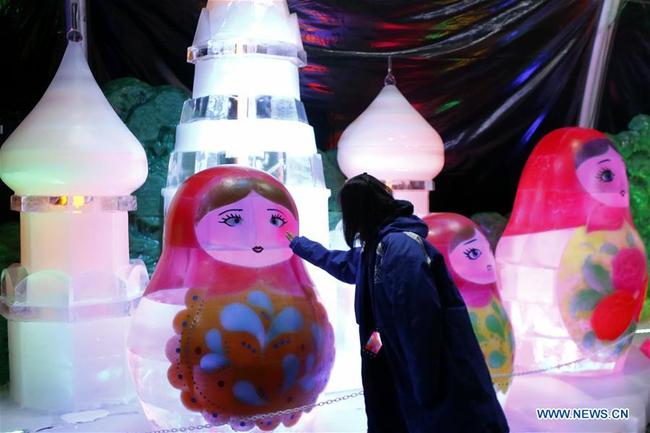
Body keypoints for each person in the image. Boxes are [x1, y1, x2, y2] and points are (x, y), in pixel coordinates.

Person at [286, 173, 509, 433]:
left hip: (431, 371)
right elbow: (346, 265)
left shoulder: (400, 247)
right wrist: (301, 245)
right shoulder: (380, 245)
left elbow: (419, 322)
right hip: (399, 357)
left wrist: (424, 383)